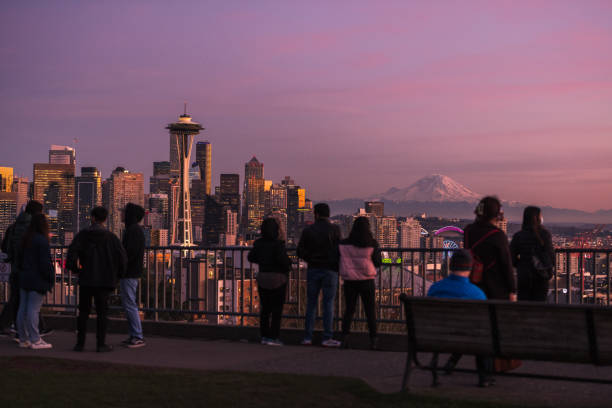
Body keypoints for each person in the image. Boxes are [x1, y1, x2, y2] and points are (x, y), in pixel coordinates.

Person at [444, 196, 516, 375]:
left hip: (472, 286)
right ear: (497, 214)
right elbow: (507, 266)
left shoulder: (468, 231)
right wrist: (512, 290)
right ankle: (486, 372)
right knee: (490, 330)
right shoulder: (498, 236)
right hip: (494, 290)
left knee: (472, 326)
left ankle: (453, 361)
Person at [427, 250, 493, 387]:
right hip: (468, 339)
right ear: (470, 267)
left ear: (450, 266)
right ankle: (484, 377)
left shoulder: (434, 289)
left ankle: (447, 365)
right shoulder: (477, 294)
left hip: (434, 338)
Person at [67, 206, 127, 352]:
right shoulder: (111, 237)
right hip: (105, 280)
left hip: (86, 278)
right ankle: (101, 344)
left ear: (92, 218)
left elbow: (71, 255)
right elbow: (122, 259)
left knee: (83, 312)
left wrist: (76, 270)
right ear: (105, 219)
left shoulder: (82, 235)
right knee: (102, 313)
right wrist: (117, 276)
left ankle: (80, 344)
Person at [0, 200, 51, 338]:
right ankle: (27, 330)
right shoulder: (33, 229)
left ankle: (31, 328)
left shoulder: (14, 226)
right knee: (28, 301)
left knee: (20, 300)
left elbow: (4, 247)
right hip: (30, 269)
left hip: (16, 267)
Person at [297, 203, 342, 347]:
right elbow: (340, 250)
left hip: (313, 269)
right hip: (330, 270)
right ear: (328, 214)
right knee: (328, 304)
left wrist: (310, 258)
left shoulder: (308, 230)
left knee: (311, 303)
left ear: (315, 214)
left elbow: (300, 251)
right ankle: (327, 337)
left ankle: (308, 337)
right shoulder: (335, 230)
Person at [248, 218, 292, 346]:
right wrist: (288, 266)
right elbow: (283, 261)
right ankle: (274, 337)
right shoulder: (278, 244)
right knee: (277, 310)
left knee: (265, 310)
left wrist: (263, 261)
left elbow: (251, 257)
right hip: (277, 278)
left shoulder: (259, 243)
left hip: (263, 278)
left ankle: (265, 336)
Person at [338, 217, 381, 350]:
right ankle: (373, 340)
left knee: (349, 310)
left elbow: (337, 259)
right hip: (367, 280)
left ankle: (344, 338)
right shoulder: (372, 243)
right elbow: (378, 262)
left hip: (350, 281)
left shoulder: (344, 244)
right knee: (370, 311)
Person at [16, 213, 54, 349]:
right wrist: (50, 278)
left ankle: (23, 338)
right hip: (37, 279)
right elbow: (45, 263)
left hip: (24, 277)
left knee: (23, 309)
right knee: (33, 310)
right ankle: (35, 340)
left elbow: (19, 259)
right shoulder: (41, 240)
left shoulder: (26, 238)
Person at [510, 206, 554, 301]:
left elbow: (511, 256)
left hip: (524, 276)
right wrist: (549, 271)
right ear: (538, 218)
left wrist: (521, 265)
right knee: (539, 306)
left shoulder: (518, 236)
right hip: (541, 276)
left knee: (524, 305)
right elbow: (551, 256)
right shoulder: (544, 234)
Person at [120, 203, 146, 348]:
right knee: (128, 304)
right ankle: (133, 335)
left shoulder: (133, 231)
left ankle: (137, 335)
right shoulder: (133, 230)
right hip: (130, 272)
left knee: (130, 304)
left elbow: (129, 253)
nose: (122, 214)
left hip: (130, 273)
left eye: (124, 212)